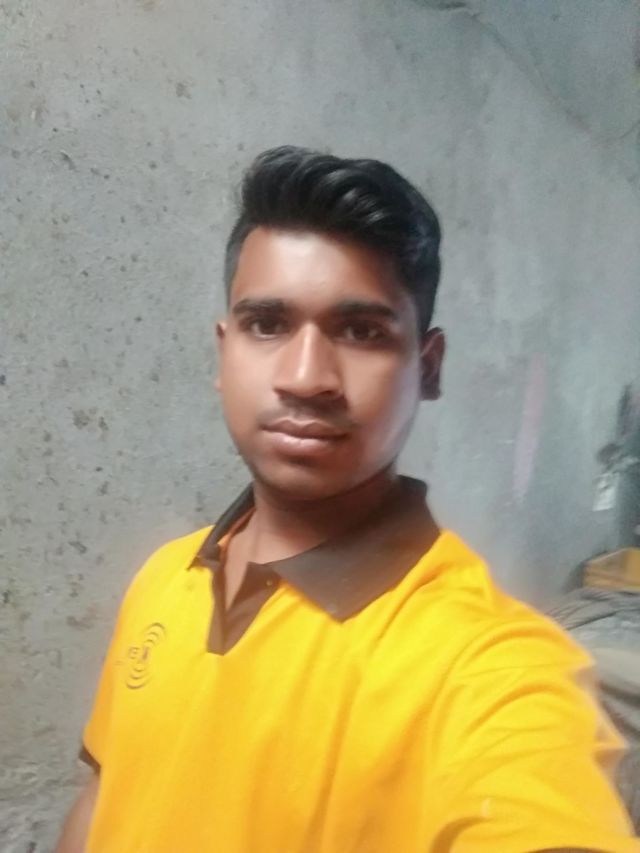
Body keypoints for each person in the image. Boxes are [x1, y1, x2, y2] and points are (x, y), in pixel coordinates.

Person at [55, 146, 638, 852]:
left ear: (427, 367)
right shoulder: (163, 577)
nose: (306, 377)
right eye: (267, 324)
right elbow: (105, 794)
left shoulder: (492, 665)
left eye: (361, 331)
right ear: (224, 351)